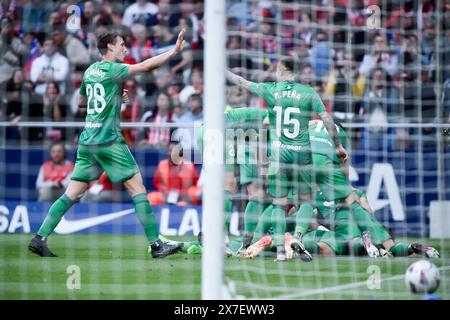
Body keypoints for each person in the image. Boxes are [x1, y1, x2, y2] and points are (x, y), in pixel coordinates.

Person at [28, 29, 187, 258]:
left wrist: (112, 97)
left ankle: (39, 238)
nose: (125, 48)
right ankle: (156, 245)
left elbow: (82, 102)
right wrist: (174, 50)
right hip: (108, 140)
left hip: (87, 141)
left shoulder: (91, 70)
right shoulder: (113, 69)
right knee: (137, 188)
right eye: (122, 44)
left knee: (72, 194)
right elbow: (145, 67)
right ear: (110, 46)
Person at [226, 57, 348, 261]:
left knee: (279, 202)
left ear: (282, 70)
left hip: (279, 153)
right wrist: (338, 146)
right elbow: (326, 119)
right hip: (302, 153)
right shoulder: (308, 92)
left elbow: (242, 82)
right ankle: (298, 236)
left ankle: (281, 252)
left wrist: (222, 71)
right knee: (306, 199)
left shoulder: (271, 89)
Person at [147, 141, 201, 206]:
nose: (170, 153)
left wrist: (185, 193)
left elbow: (196, 184)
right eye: (169, 150)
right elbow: (156, 182)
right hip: (166, 197)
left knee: (196, 193)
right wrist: (165, 192)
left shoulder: (190, 166)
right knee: (150, 198)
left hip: (185, 197)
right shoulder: (162, 165)